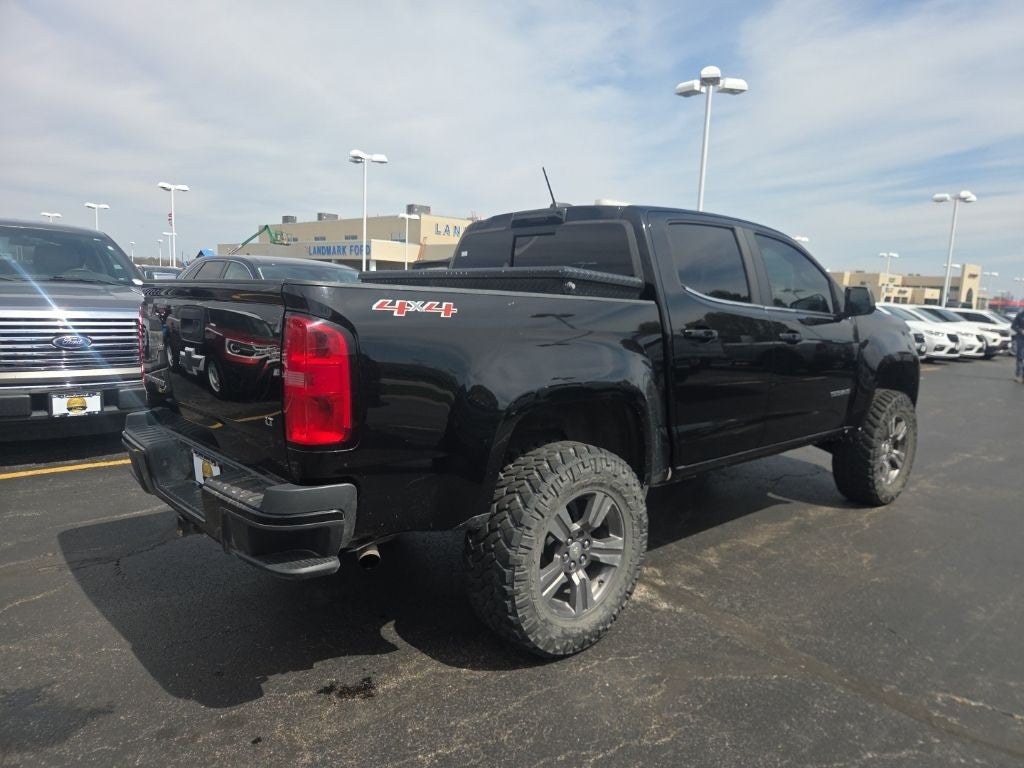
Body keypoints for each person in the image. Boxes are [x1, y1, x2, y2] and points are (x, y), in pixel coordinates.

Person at [1013, 310, 1024, 383]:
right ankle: (1017, 375)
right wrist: (1020, 330)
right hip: (1020, 339)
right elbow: (1013, 326)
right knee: (1020, 357)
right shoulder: (1020, 315)